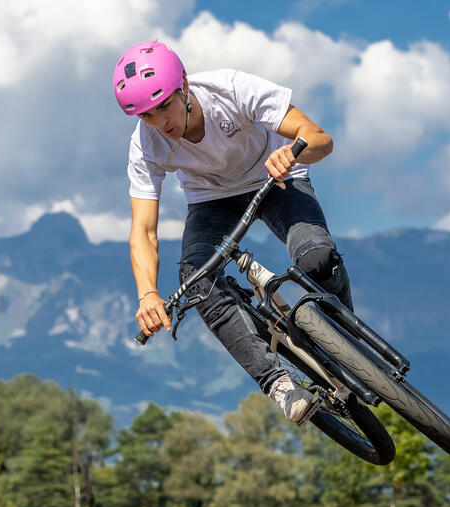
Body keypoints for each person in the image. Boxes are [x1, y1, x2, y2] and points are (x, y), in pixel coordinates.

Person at [115, 40, 345, 424]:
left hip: (276, 179)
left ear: (184, 85)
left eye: (165, 106)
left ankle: (348, 343)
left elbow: (320, 139)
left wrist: (293, 152)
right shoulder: (145, 145)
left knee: (317, 259)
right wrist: (147, 294)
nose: (161, 122)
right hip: (212, 200)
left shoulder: (232, 89)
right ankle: (280, 386)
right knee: (196, 280)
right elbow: (143, 231)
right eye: (147, 115)